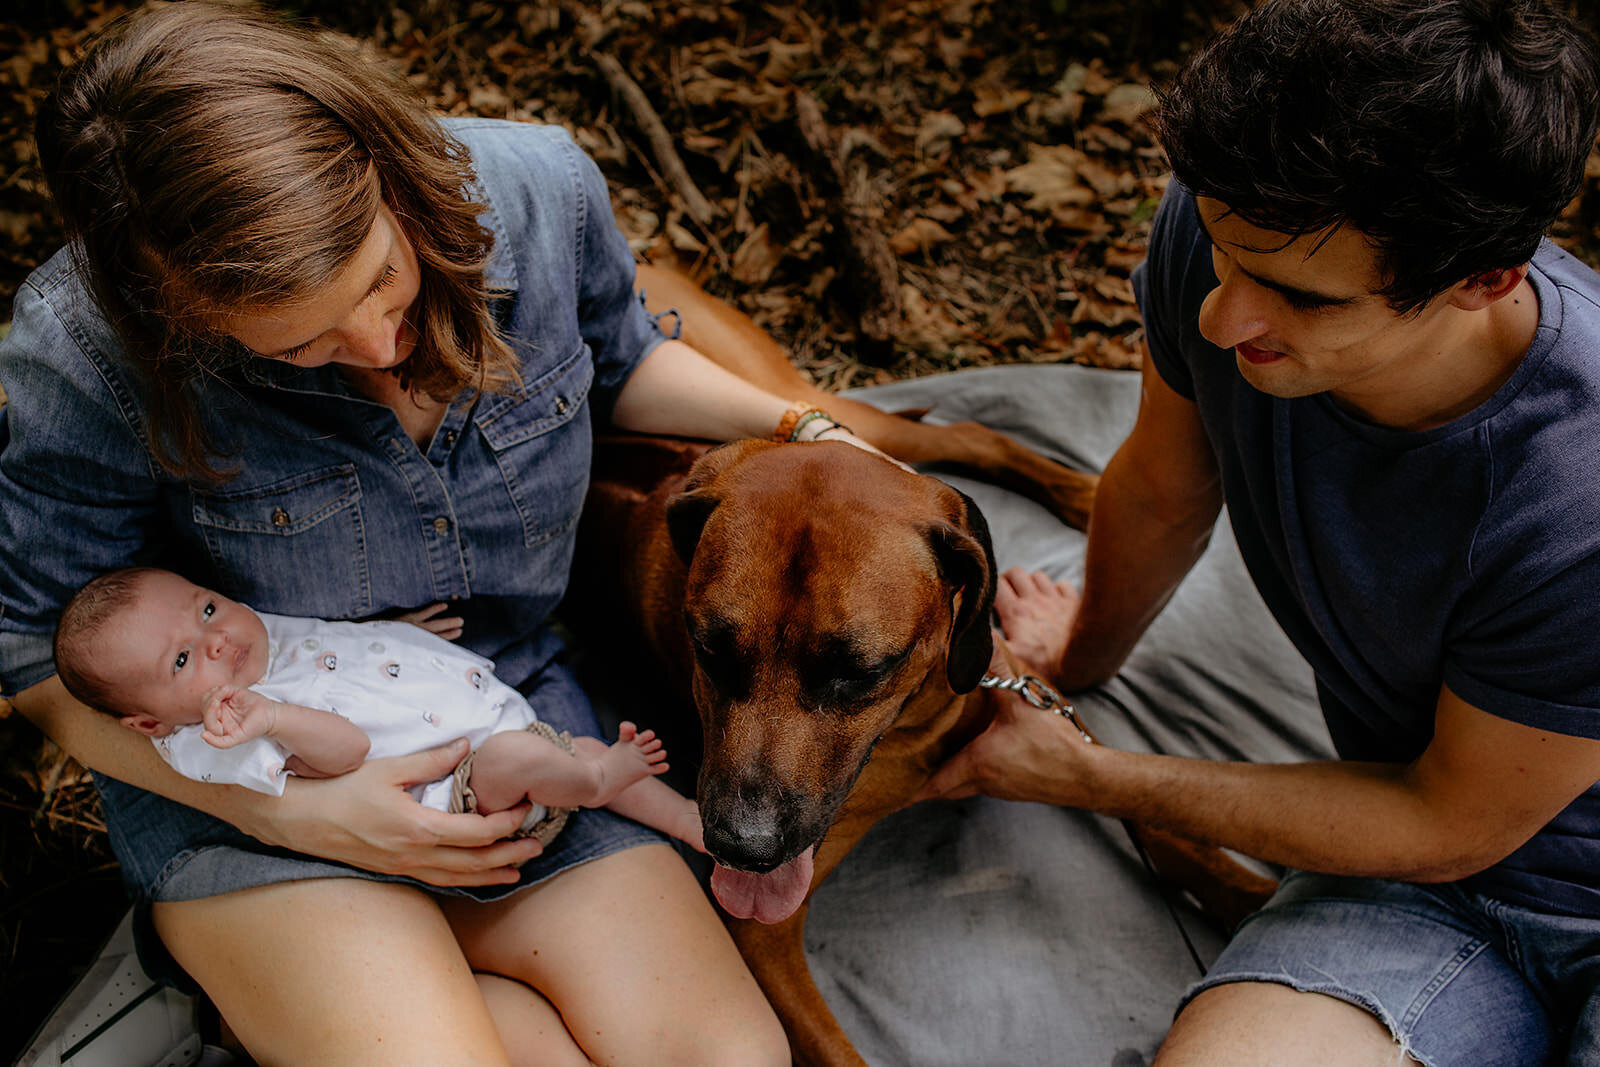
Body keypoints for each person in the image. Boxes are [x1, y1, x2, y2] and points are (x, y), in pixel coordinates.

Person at [0, 1, 890, 1061]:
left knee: (731, 1056)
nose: (377, 337)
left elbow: (623, 360)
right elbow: (27, 654)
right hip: (257, 791)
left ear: (381, 163)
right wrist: (300, 819)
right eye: (301, 344)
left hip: (506, 709)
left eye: (379, 275)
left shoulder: (534, 188)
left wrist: (811, 427)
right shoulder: (87, 348)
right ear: (173, 312)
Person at [920, 0, 1600, 1064]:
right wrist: (1080, 652)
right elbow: (1161, 481)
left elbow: (1448, 817)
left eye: (1294, 298)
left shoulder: (1580, 494)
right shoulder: (1239, 221)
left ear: (1483, 279)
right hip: (1429, 896)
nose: (1219, 317)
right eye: (1226, 258)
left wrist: (1091, 775)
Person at [52, 567, 705, 852]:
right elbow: (347, 749)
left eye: (205, 607)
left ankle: (687, 820)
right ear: (152, 723)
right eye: (183, 661)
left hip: (497, 725)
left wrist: (398, 630)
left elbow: (333, 642)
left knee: (569, 746)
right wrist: (271, 720)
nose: (215, 636)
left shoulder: (247, 639)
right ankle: (592, 782)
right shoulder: (224, 735)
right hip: (461, 795)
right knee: (547, 757)